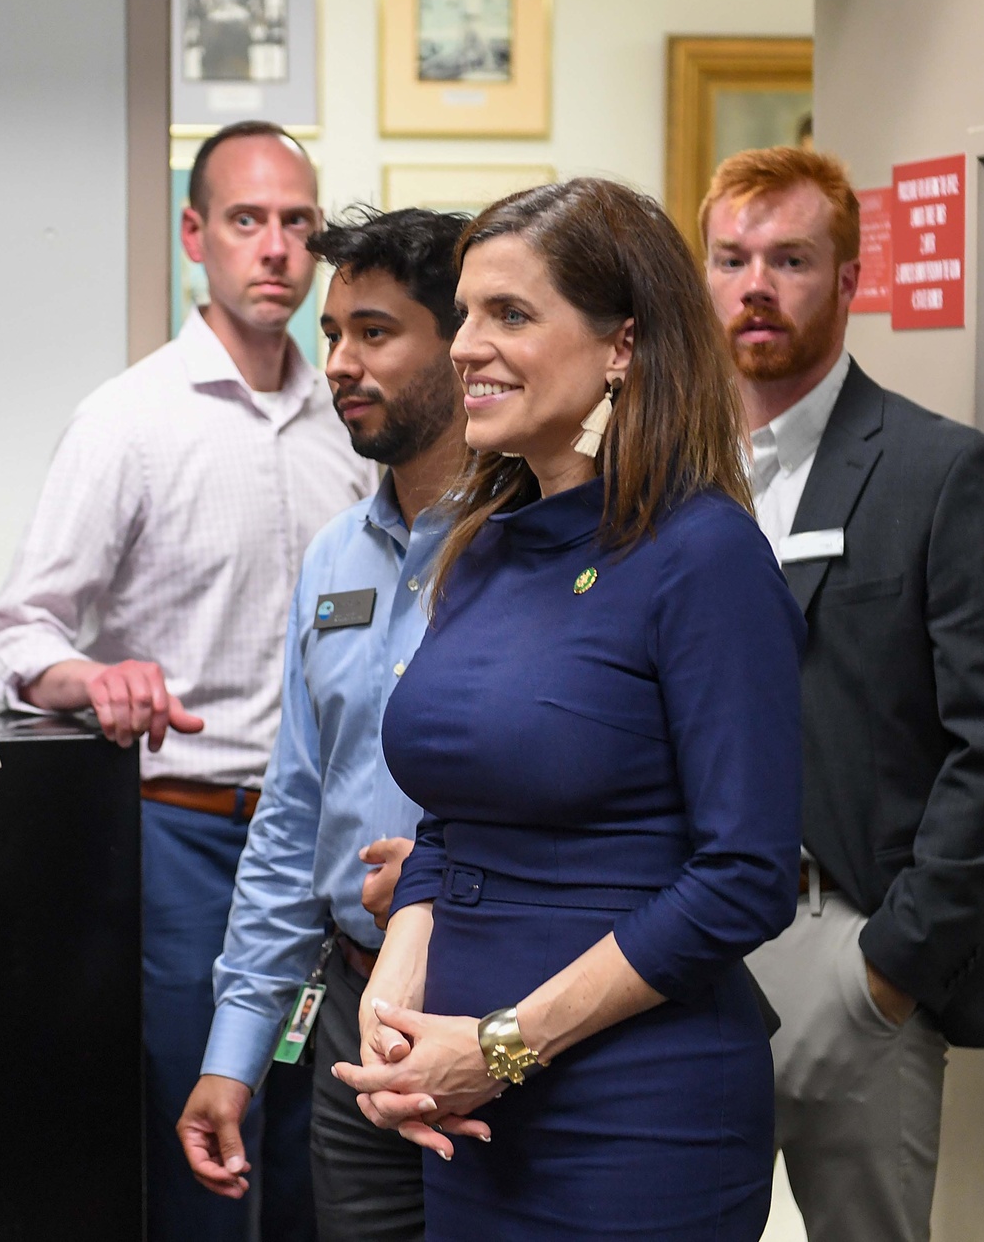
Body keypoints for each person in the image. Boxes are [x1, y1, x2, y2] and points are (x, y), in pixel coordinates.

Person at [335, 179, 804, 1239]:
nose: (463, 345)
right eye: (462, 313)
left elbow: (743, 878)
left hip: (636, 1119)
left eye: (509, 313)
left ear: (620, 346)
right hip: (461, 1112)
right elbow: (451, 821)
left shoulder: (702, 556)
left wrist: (500, 1043)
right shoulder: (485, 548)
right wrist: (398, 987)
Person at [0, 121, 372, 1241]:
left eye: (298, 224)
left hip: (327, 844)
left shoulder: (352, 424)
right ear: (194, 235)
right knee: (196, 1141)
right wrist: (88, 679)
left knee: (315, 1131)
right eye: (248, 221)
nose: (277, 250)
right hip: (182, 839)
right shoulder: (129, 421)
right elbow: (10, 630)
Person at [702, 146, 984, 1242]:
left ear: (849, 281)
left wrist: (890, 967)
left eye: (790, 258)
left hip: (844, 937)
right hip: (682, 936)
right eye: (730, 257)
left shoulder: (939, 472)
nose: (755, 283)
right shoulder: (663, 471)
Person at [178, 208, 468, 1242]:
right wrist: (234, 1050)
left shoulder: (543, 548)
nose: (339, 362)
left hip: (494, 1009)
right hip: (350, 1016)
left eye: (375, 333)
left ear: (463, 339)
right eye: (333, 333)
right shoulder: (336, 558)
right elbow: (293, 817)